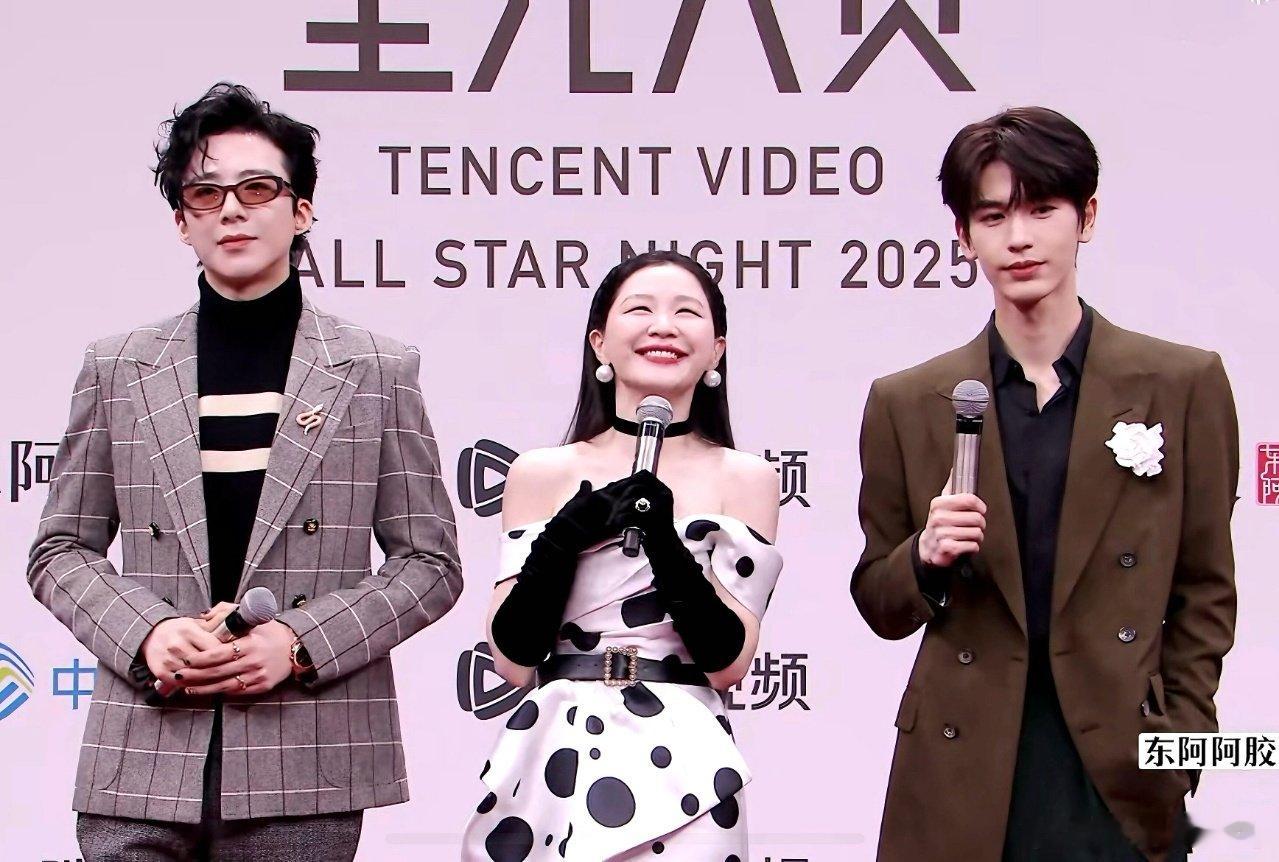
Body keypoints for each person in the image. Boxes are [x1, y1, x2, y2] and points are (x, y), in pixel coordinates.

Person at [27, 82, 463, 861]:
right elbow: (60, 549)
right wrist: (148, 632)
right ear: (182, 222)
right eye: (206, 193)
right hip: (145, 745)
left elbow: (429, 563)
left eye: (257, 189)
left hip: (305, 752)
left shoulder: (376, 369)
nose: (231, 209)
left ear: (300, 211)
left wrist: (297, 642)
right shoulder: (118, 366)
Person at [851, 106, 1238, 862]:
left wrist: (1180, 748)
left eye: (1041, 210)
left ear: (1085, 218)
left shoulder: (1181, 382)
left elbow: (1205, 588)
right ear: (963, 236)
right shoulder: (908, 400)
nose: (1018, 238)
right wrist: (924, 556)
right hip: (960, 761)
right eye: (993, 216)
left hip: (1117, 767)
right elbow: (877, 600)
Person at [462, 250, 782, 861]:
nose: (663, 326)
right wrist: (563, 537)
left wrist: (663, 541)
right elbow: (512, 659)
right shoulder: (540, 473)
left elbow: (728, 663)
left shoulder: (746, 479)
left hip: (685, 757)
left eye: (686, 312)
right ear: (599, 343)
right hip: (557, 747)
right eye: (640, 309)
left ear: (716, 351)